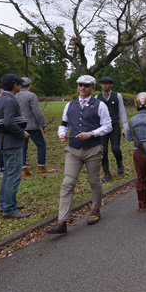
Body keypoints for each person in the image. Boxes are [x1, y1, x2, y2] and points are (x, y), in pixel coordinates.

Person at [45, 75, 112, 235]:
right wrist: (61, 134)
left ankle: (95, 210)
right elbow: (64, 124)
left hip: (93, 149)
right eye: (80, 85)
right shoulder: (70, 105)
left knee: (94, 181)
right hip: (73, 149)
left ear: (92, 88)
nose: (83, 88)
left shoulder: (100, 105)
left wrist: (92, 133)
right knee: (67, 183)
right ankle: (62, 221)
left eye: (86, 85)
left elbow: (108, 126)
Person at [0, 74, 31, 219]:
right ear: (15, 85)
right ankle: (9, 209)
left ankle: (5, 203)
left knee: (7, 174)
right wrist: (21, 133)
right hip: (11, 143)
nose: (20, 86)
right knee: (13, 175)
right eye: (19, 84)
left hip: (3, 142)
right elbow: (10, 122)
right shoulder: (10, 101)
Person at [17, 77, 56, 177]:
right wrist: (43, 124)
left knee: (22, 147)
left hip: (19, 126)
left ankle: (23, 169)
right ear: (29, 85)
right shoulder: (31, 96)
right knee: (41, 145)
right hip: (32, 125)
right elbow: (37, 112)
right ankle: (41, 167)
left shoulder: (14, 95)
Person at [96, 76, 127, 182]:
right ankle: (106, 172)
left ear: (111, 85)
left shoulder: (117, 96)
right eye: (103, 83)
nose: (104, 85)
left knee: (115, 148)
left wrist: (125, 126)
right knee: (103, 150)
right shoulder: (97, 97)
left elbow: (122, 111)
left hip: (114, 125)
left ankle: (119, 163)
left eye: (107, 83)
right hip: (102, 127)